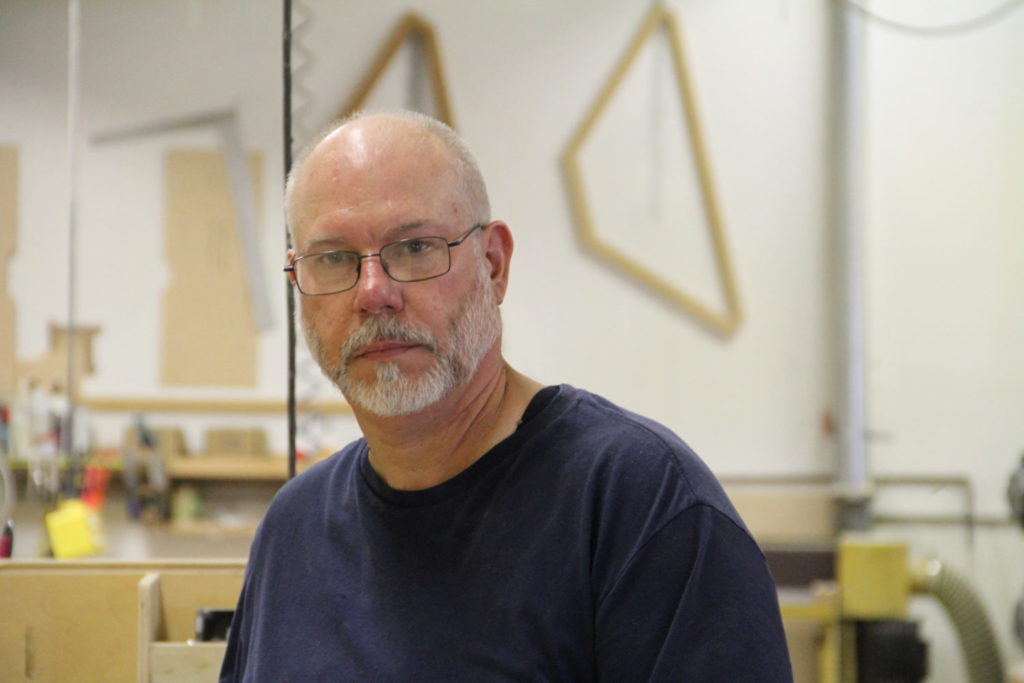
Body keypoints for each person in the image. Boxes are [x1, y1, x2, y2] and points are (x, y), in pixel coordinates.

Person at [220, 110, 793, 682]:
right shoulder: (293, 530)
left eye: (415, 247)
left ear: (494, 265)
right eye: (333, 258)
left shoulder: (640, 505)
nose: (374, 292)